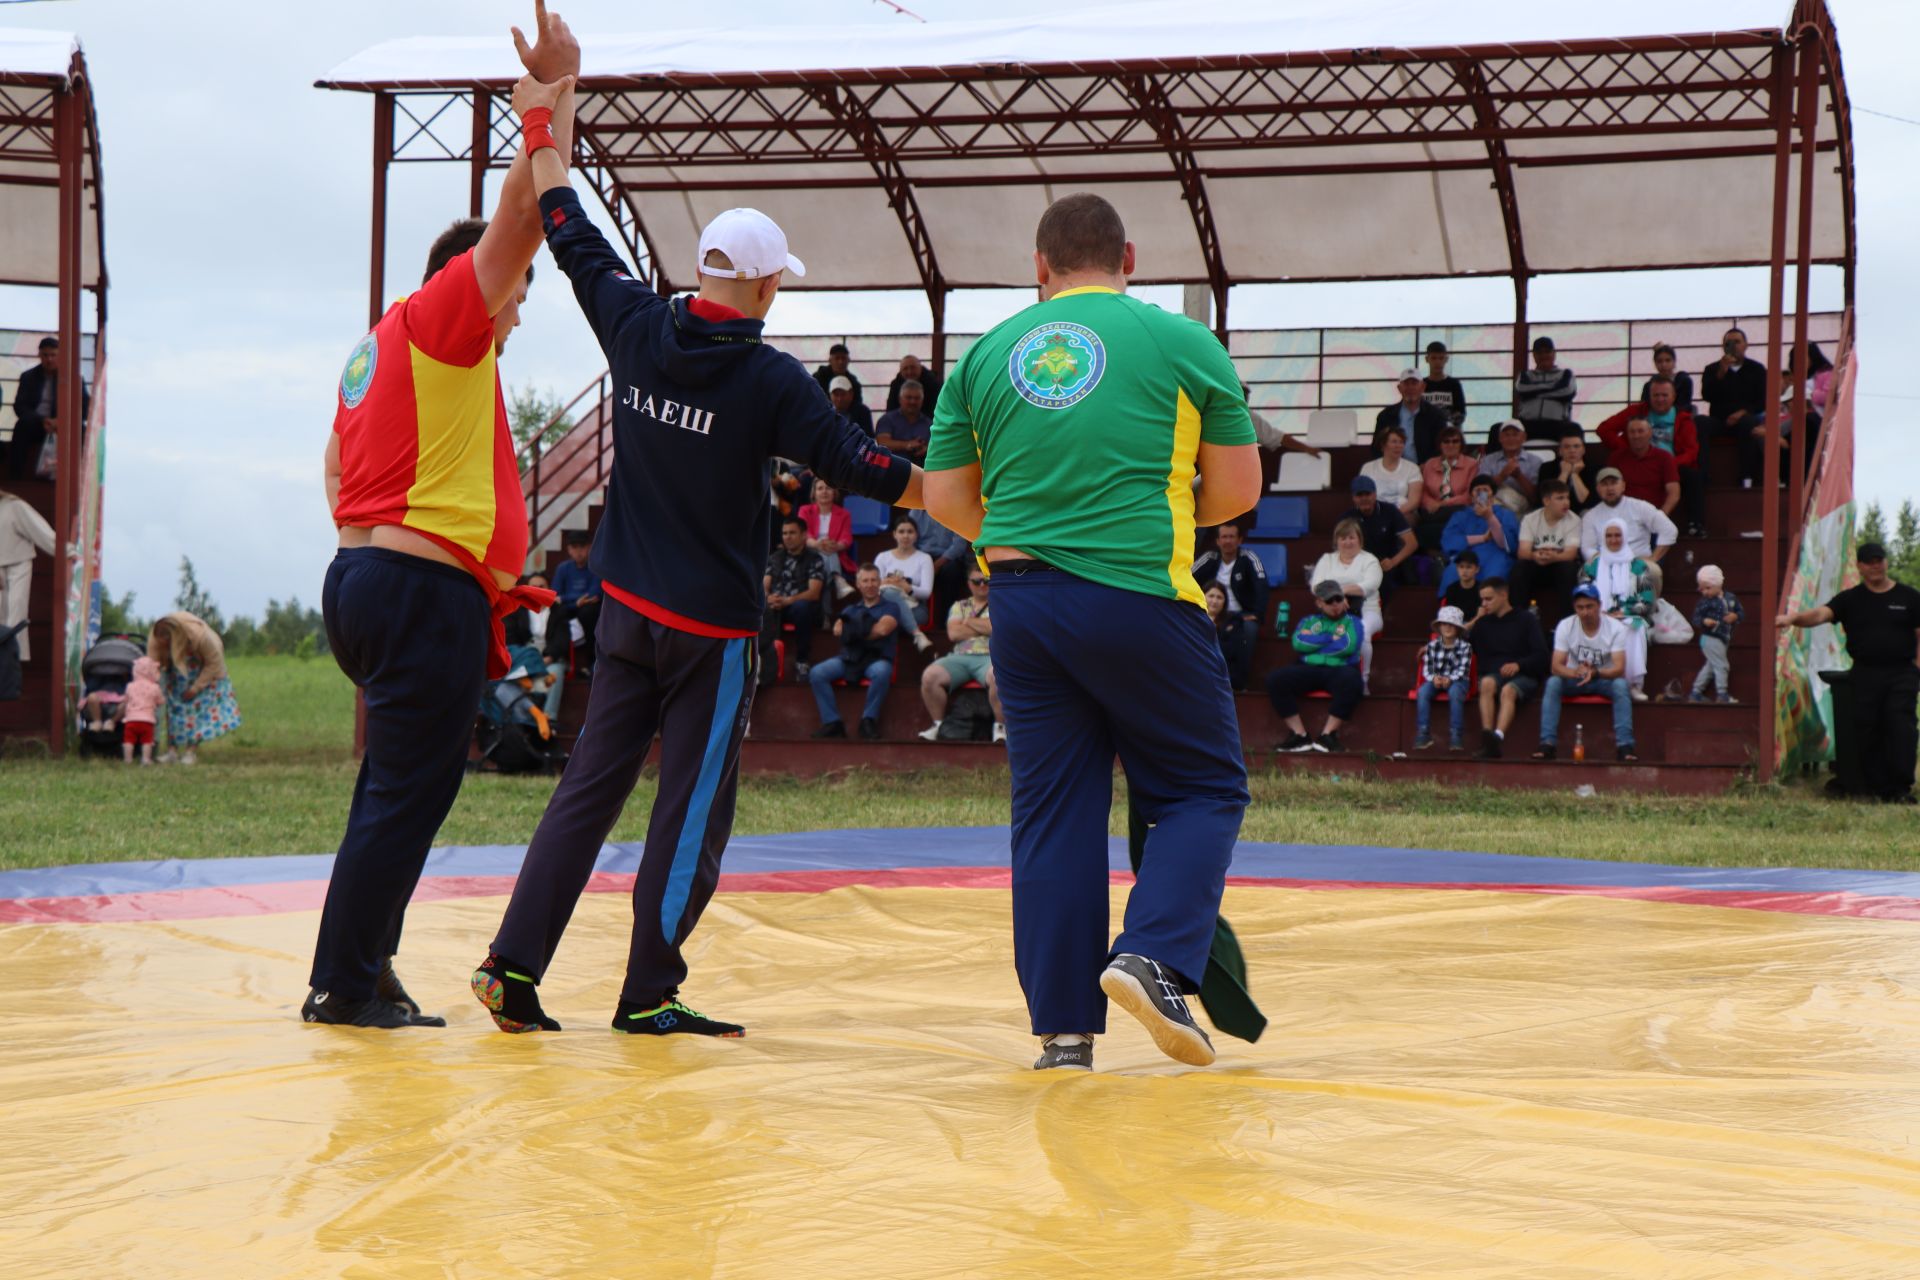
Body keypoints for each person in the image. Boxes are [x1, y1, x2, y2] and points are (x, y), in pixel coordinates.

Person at [475, 71, 925, 1041]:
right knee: (690, 815)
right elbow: (863, 468)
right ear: (765, 285)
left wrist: (541, 119)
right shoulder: (770, 380)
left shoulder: (636, 324)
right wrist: (959, 495)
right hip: (712, 633)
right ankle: (648, 988)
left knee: (586, 791)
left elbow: (567, 221)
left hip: (627, 610)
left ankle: (511, 964)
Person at [922, 191, 1260, 1073]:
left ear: (1040, 268)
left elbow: (947, 500)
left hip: (1023, 604)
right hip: (1141, 589)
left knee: (1052, 815)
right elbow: (1238, 490)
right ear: (1130, 260)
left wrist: (1035, 522)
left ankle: (1062, 1033)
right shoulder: (1184, 343)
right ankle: (1149, 955)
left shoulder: (988, 355)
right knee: (1201, 790)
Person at [309, 8, 576, 1032]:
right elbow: (522, 209)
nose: (518, 310)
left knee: (394, 790)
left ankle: (359, 968)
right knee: (407, 796)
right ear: (478, 280)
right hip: (418, 593)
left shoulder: (376, 350)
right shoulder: (449, 321)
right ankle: (346, 978)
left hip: (368, 579)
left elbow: (332, 469)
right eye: (515, 291)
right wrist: (551, 96)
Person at [1778, 542, 1920, 804]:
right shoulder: (1850, 599)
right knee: (1867, 729)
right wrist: (1792, 618)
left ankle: (1900, 790)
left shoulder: (1909, 597)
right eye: (1869, 561)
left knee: (1901, 728)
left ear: (1886, 562)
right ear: (1860, 567)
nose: (1876, 565)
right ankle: (1875, 787)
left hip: (1901, 673)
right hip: (1865, 673)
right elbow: (1821, 613)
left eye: (1880, 560)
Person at [1533, 584, 1637, 761]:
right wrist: (1574, 672)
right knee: (1553, 683)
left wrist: (1595, 673)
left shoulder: (1615, 628)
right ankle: (1547, 745)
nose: (1585, 612)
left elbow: (1619, 668)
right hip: (1576, 677)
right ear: (1575, 608)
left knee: (1621, 685)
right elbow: (1555, 667)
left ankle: (1625, 747)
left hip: (1602, 678)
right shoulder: (1566, 626)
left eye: (1590, 606)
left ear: (1599, 605)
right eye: (1580, 607)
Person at [810, 564, 906, 740]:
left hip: (876, 658)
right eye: (865, 580)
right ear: (858, 584)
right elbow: (837, 631)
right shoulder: (849, 609)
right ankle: (832, 722)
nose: (870, 584)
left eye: (873, 580)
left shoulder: (891, 607)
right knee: (817, 673)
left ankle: (868, 721)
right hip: (849, 658)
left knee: (882, 671)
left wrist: (852, 632)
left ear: (880, 582)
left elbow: (883, 630)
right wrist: (864, 630)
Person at [1596, 376, 1701, 536]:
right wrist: (1630, 448)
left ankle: (1695, 524)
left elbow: (1691, 452)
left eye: (1664, 395)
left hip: (1671, 464)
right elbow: (1604, 429)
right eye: (1656, 395)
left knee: (1693, 477)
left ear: (1673, 397)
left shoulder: (1684, 418)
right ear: (1649, 396)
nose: (1660, 399)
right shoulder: (1636, 411)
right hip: (1637, 461)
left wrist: (1670, 463)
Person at [1268, 579, 1364, 753]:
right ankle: (1299, 736)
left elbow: (1347, 646)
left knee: (1353, 681)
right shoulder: (1309, 621)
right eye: (1329, 601)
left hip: (1340, 668)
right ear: (1319, 603)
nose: (1335, 604)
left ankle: (1328, 735)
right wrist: (1329, 638)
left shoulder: (1353, 622)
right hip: (1309, 668)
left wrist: (1315, 647)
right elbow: (1298, 643)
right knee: (1276, 680)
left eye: (1338, 599)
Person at [919, 568, 1004, 741]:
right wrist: (984, 626)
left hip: (991, 655)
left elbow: (998, 629)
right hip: (960, 656)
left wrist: (968, 622)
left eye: (986, 581)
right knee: (930, 676)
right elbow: (954, 634)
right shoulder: (960, 605)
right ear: (968, 584)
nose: (982, 585)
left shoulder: (1001, 603)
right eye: (976, 581)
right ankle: (938, 725)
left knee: (999, 677)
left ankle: (1000, 727)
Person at [148, 611, 242, 765]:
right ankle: (171, 751)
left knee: (198, 713)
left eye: (169, 641)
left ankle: (190, 752)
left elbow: (214, 664)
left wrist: (196, 688)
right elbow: (152, 663)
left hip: (202, 674)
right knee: (173, 711)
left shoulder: (203, 637)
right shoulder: (156, 636)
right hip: (176, 675)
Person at [1579, 518, 1656, 701]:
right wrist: (1597, 612)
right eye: (1609, 536)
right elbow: (1582, 595)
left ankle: (1633, 685)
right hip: (1598, 615)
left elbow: (1647, 601)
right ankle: (1600, 682)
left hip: (1628, 616)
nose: (1613, 540)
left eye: (1618, 535)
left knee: (1633, 629)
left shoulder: (1638, 566)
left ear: (1625, 537)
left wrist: (1625, 612)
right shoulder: (1593, 566)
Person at [1470, 577, 1547, 757]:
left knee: (1508, 691)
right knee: (1487, 683)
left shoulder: (1526, 619)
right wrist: (1475, 619)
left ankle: (1497, 738)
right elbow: (1463, 645)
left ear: (1503, 595)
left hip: (1524, 674)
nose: (1484, 604)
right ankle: (1487, 736)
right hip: (1494, 674)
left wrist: (1519, 665)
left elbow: (1542, 655)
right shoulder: (1482, 624)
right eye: (1482, 599)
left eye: (1489, 599)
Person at [1309, 517, 1384, 685]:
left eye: (1352, 537)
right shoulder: (1327, 559)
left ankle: (1362, 680)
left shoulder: (1369, 559)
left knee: (1361, 633)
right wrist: (1338, 598)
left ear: (1360, 539)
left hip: (1367, 611)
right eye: (1343, 538)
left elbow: (1371, 584)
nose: (1348, 542)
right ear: (1337, 541)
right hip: (1332, 612)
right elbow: (1316, 586)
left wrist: (1341, 591)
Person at [7, 335, 89, 483]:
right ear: (39, 355)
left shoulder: (74, 378)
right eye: (45, 355)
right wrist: (42, 420)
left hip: (63, 425)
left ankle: (78, 478)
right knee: (21, 427)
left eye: (53, 355)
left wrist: (61, 421)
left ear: (60, 355)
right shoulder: (28, 376)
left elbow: (84, 407)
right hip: (37, 423)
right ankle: (15, 478)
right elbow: (20, 406)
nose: (49, 359)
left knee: (81, 430)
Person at [761, 514, 826, 684]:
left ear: (804, 535)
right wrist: (769, 598)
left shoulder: (815, 558)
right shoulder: (775, 557)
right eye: (784, 533)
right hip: (775, 606)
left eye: (792, 533)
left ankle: (802, 661)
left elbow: (814, 592)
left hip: (800, 607)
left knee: (802, 607)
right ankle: (764, 662)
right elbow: (764, 586)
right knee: (762, 607)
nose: (787, 537)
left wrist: (787, 600)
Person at [1510, 479, 1584, 627]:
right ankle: (1517, 620)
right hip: (1537, 563)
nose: (1566, 503)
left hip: (1559, 565)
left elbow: (1570, 554)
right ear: (1546, 501)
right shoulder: (1530, 519)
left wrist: (1553, 557)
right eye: (1560, 498)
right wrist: (1535, 556)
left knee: (1568, 568)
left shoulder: (1573, 519)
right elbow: (1523, 552)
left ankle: (1567, 623)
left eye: (1567, 497)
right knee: (1520, 568)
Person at [1700, 327, 1769, 486]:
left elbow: (1762, 400)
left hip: (1744, 420)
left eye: (1737, 342)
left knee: (1749, 423)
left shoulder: (1757, 369)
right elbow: (1706, 395)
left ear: (1746, 345)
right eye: (1729, 343)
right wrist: (1721, 373)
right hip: (1719, 420)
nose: (1733, 346)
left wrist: (1742, 413)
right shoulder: (1712, 369)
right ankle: (1703, 475)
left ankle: (1746, 477)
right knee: (1699, 423)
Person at [1579, 468, 1678, 574]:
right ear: (1598, 489)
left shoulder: (1640, 507)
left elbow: (1669, 530)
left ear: (1623, 486)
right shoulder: (1590, 516)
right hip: (1605, 565)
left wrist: (1653, 559)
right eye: (1604, 484)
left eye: (1614, 483)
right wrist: (1605, 562)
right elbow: (1587, 548)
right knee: (1583, 573)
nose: (1610, 488)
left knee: (1653, 571)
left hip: (1638, 564)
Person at [1191, 519, 1267, 656]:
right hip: (1212, 611)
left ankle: (1239, 676)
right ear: (1218, 541)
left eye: (1232, 537)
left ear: (1240, 540)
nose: (1228, 541)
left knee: (1249, 629)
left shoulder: (1249, 558)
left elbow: (1261, 586)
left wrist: (1257, 614)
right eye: (1224, 537)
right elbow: (1188, 576)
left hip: (1240, 615)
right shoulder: (1209, 557)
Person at [0, 486, 54, 661]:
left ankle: (13, 661)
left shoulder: (15, 506)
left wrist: (67, 551)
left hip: (19, 564)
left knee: (16, 615)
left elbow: (41, 532)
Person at [1440, 475, 1518, 594]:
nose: (1481, 494)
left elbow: (1508, 544)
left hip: (1496, 556)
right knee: (1452, 573)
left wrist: (1490, 517)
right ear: (1471, 496)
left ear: (1493, 495)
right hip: (1466, 555)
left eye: (1486, 490)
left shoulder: (1505, 514)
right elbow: (1449, 540)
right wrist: (1481, 538)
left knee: (1495, 574)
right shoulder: (1460, 516)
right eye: (1477, 490)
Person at [1412, 604, 1471, 751]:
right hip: (1437, 680)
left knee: (1455, 693)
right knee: (1423, 692)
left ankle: (1456, 735)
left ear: (1458, 628)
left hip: (1458, 680)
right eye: (1444, 624)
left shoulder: (1465, 647)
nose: (1448, 628)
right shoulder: (1432, 646)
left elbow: (1463, 669)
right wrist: (1434, 678)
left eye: (1452, 624)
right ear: (1439, 627)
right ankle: (1423, 732)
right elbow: (1428, 668)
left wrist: (1450, 678)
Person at [873, 515, 935, 652]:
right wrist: (887, 582)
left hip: (916, 608)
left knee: (886, 619)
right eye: (901, 531)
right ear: (894, 534)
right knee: (889, 594)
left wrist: (905, 587)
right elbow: (873, 587)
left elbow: (926, 592)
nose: (905, 536)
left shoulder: (924, 558)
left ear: (916, 535)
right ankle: (916, 633)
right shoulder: (883, 557)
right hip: (884, 605)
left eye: (910, 531)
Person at [1344, 475, 1416, 589]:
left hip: (1387, 564)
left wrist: (1393, 561)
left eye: (1367, 494)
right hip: (1359, 565)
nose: (1364, 498)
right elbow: (1340, 547)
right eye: (1359, 495)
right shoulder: (1347, 517)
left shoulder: (1390, 511)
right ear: (1353, 497)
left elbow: (1412, 543)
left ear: (1375, 494)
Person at [550, 530, 602, 673]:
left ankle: (591, 660)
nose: (578, 551)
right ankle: (558, 657)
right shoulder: (563, 568)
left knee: (590, 611)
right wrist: (575, 602)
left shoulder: (595, 567)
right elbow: (555, 596)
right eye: (574, 547)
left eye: (582, 546)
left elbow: (594, 594)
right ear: (569, 550)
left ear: (589, 547)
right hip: (569, 608)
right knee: (556, 611)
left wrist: (565, 599)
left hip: (587, 610)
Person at [1415, 426, 1473, 551]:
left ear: (1461, 444)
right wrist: (1430, 503)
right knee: (1423, 521)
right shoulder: (1430, 463)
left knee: (1457, 516)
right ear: (1440, 444)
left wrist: (1442, 504)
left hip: (1458, 508)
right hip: (1432, 511)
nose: (1450, 445)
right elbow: (1423, 490)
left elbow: (1470, 495)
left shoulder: (1472, 464)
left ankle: (1445, 552)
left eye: (1455, 441)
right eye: (1446, 441)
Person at [1512, 336, 1578, 443]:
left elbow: (1567, 391)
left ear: (1554, 354)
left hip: (1557, 423)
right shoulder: (1525, 375)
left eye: (1547, 352)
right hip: (1527, 424)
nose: (1543, 355)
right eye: (1539, 353)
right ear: (1534, 355)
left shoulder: (1566, 374)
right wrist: (1554, 386)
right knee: (1497, 429)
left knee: (1575, 430)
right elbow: (1522, 390)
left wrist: (1534, 392)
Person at [1689, 563, 1740, 704]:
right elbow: (1696, 618)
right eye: (1702, 589)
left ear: (1718, 584)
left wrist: (1734, 616)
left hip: (1723, 638)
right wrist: (1704, 621)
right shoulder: (1704, 602)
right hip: (1710, 638)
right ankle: (1722, 693)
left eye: (1708, 588)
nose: (1705, 592)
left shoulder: (1730, 598)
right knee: (1722, 665)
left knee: (1711, 665)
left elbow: (1739, 613)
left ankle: (1696, 692)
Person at [799, 477, 857, 597]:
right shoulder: (804, 510)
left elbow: (846, 538)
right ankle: (837, 578)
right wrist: (816, 544)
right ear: (814, 493)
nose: (824, 491)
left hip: (834, 550)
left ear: (834, 492)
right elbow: (803, 534)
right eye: (820, 488)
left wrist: (836, 545)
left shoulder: (844, 514)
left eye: (828, 488)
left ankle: (825, 612)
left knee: (827, 554)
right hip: (810, 550)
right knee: (825, 550)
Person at [1373, 368, 1446, 462]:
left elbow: (1442, 447)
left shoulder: (1436, 415)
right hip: (1392, 470)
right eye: (1406, 384)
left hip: (1426, 470)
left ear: (1423, 387)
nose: (1410, 388)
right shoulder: (1386, 415)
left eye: (1414, 383)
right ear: (1399, 388)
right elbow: (1376, 448)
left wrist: (1429, 467)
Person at [911, 507, 973, 612]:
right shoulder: (916, 512)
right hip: (922, 555)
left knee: (952, 570)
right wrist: (923, 562)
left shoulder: (955, 511)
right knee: (912, 566)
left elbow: (959, 545)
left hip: (947, 557)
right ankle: (918, 613)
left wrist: (936, 565)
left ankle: (948, 616)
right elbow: (909, 539)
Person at [1358, 423, 1424, 520]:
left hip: (1403, 513)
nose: (1398, 446)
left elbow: (1414, 501)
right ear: (1383, 445)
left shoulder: (1412, 468)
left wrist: (1393, 514)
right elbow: (1362, 496)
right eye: (1394, 442)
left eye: (1401, 442)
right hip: (1374, 513)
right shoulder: (1368, 468)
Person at [1475, 419, 1541, 513]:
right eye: (1506, 435)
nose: (1511, 439)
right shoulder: (1488, 460)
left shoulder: (1535, 461)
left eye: (1515, 434)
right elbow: (1480, 492)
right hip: (1492, 509)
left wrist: (1519, 476)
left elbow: (1535, 498)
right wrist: (1502, 476)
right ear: (1500, 438)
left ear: (1524, 437)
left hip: (1524, 512)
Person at [1203, 583, 1253, 692]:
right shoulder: (1194, 620)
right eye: (1211, 596)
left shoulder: (1233, 621)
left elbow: (1232, 651)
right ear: (1203, 596)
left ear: (1225, 601)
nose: (1214, 601)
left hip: (1224, 673)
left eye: (1219, 597)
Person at [120, 655, 164, 766]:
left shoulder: (130, 686)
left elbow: (126, 699)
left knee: (129, 740)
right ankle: (145, 759)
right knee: (147, 741)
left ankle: (128, 759)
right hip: (147, 720)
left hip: (131, 720)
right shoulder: (154, 687)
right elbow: (160, 701)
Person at [875, 378, 932, 464]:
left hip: (923, 470)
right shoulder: (887, 419)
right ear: (900, 399)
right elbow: (882, 443)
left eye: (917, 398)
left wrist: (926, 449)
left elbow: (938, 446)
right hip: (892, 469)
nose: (913, 401)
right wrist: (907, 445)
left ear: (922, 400)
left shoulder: (929, 423)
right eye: (908, 397)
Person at [1546, 433, 1603, 514]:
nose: (1572, 450)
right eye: (1567, 447)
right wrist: (1564, 473)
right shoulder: (1547, 468)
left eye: (1576, 446)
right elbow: (1550, 501)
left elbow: (1587, 502)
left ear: (1583, 450)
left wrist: (1575, 475)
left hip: (1584, 513)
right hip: (1557, 513)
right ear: (1560, 451)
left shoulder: (1595, 469)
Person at [1421, 341, 1467, 429]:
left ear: (1446, 359)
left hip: (1448, 436)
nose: (1437, 362)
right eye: (1434, 358)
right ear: (1427, 359)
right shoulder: (1420, 385)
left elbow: (1461, 414)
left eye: (1441, 358)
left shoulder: (1454, 384)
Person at [1643, 342, 1695, 414]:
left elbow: (1684, 407)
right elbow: (1644, 408)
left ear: (1674, 362)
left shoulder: (1684, 381)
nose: (1664, 365)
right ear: (1655, 363)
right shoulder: (1648, 386)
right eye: (1659, 361)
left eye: (1668, 360)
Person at [1443, 550, 1484, 628]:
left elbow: (1482, 615)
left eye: (1468, 567)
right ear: (1457, 568)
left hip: (1477, 626)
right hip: (1456, 626)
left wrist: (1468, 626)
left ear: (1477, 569)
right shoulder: (1451, 589)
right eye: (1461, 567)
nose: (1464, 571)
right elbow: (1450, 616)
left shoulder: (1482, 589)